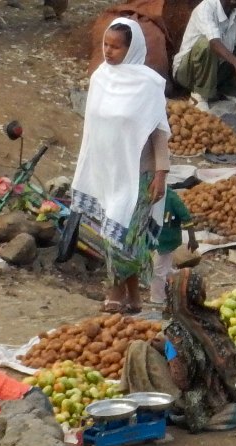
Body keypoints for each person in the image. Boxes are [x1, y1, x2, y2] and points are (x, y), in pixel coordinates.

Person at [71, 18, 170, 315]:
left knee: (127, 236)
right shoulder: (100, 77)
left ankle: (115, 289)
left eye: (116, 46)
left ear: (132, 48)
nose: (108, 52)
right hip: (107, 171)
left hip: (138, 174)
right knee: (112, 232)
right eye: (106, 45)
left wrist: (161, 174)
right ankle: (132, 294)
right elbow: (93, 127)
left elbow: (159, 132)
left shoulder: (149, 84)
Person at [121, 270, 236, 433]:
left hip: (190, 400)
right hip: (219, 396)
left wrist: (168, 348)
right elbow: (228, 366)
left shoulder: (175, 331)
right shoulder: (213, 320)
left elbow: (181, 381)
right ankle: (218, 414)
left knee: (137, 348)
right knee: (235, 411)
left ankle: (170, 412)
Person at [171, 0, 236, 106]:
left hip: (215, 72)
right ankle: (199, 95)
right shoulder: (206, 7)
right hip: (188, 73)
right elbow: (214, 42)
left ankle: (227, 90)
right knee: (207, 43)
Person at [150, 189, 198, 307]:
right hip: (156, 237)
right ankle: (179, 284)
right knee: (164, 267)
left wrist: (192, 239)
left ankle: (158, 299)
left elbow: (186, 217)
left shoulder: (171, 198)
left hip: (168, 239)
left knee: (157, 270)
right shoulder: (150, 194)